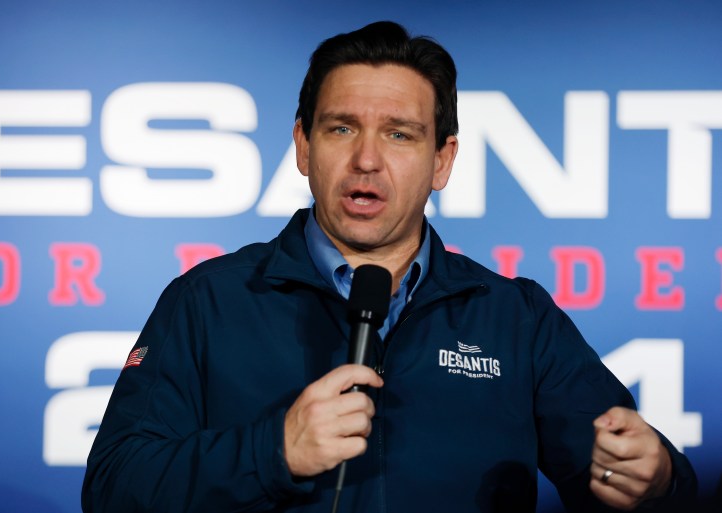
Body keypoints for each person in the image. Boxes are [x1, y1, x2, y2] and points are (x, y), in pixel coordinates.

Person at [81, 21, 697, 512]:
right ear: (302, 145)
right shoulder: (209, 301)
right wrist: (274, 452)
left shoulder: (515, 317)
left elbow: (625, 474)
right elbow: (113, 490)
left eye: (400, 134)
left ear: (442, 160)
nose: (367, 159)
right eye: (341, 128)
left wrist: (658, 477)